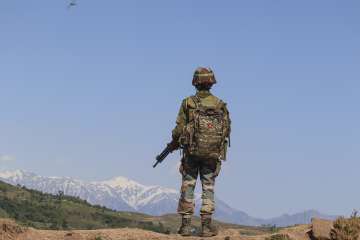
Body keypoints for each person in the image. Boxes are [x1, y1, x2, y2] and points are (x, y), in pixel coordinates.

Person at [171, 67, 231, 237]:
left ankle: (185, 227)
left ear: (195, 82)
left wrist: (175, 142)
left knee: (188, 184)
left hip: (191, 152)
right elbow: (227, 131)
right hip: (212, 154)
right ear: (211, 83)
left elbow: (178, 130)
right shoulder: (220, 105)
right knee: (208, 187)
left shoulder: (188, 103)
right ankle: (206, 227)